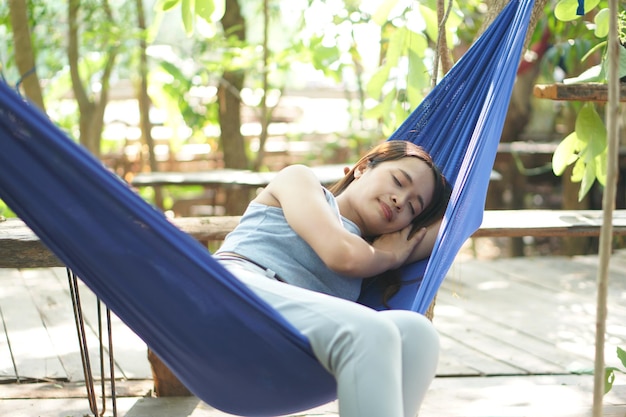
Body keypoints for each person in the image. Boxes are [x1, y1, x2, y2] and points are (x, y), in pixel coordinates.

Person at [214, 140, 451, 417]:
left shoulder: (373, 250)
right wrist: (389, 257)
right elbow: (341, 254)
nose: (401, 201)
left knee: (417, 333)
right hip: (230, 292)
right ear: (362, 168)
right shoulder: (299, 180)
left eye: (413, 208)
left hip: (283, 345)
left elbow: (455, 225)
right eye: (398, 181)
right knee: (371, 331)